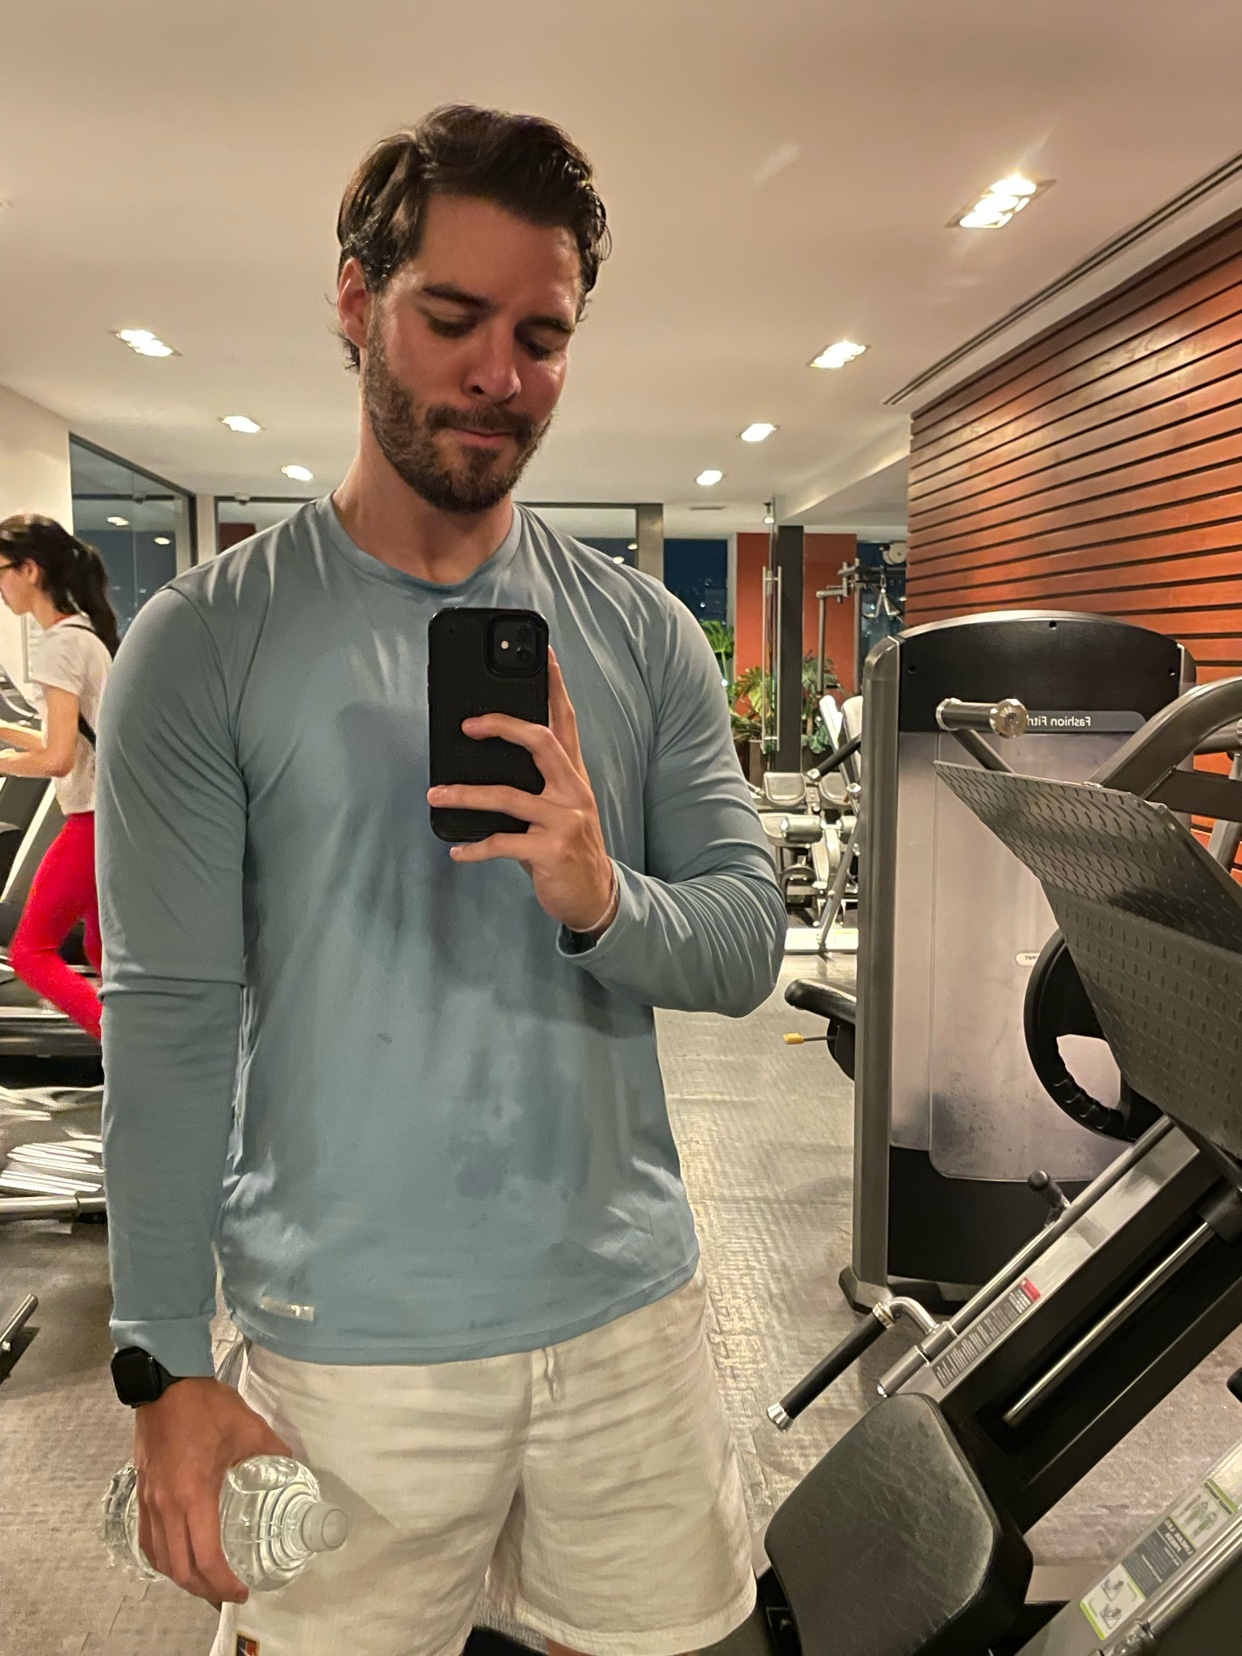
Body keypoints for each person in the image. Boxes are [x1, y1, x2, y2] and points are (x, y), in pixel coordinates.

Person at [99, 104, 786, 1656]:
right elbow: (169, 1017)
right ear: (357, 302)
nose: (500, 375)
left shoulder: (640, 637)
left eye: (541, 336)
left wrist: (602, 894)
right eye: (454, 318)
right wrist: (161, 1360)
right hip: (347, 1351)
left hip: (627, 1321)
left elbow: (747, 939)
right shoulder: (206, 643)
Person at [0, 515, 117, 1041]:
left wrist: (4, 761)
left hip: (90, 819)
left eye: (1, 572)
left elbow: (58, 759)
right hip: (107, 814)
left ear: (29, 570)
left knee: (30, 952)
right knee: (100, 949)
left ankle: (128, 1054)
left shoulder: (58, 645)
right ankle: (138, 1057)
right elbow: (69, 740)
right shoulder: (82, 634)